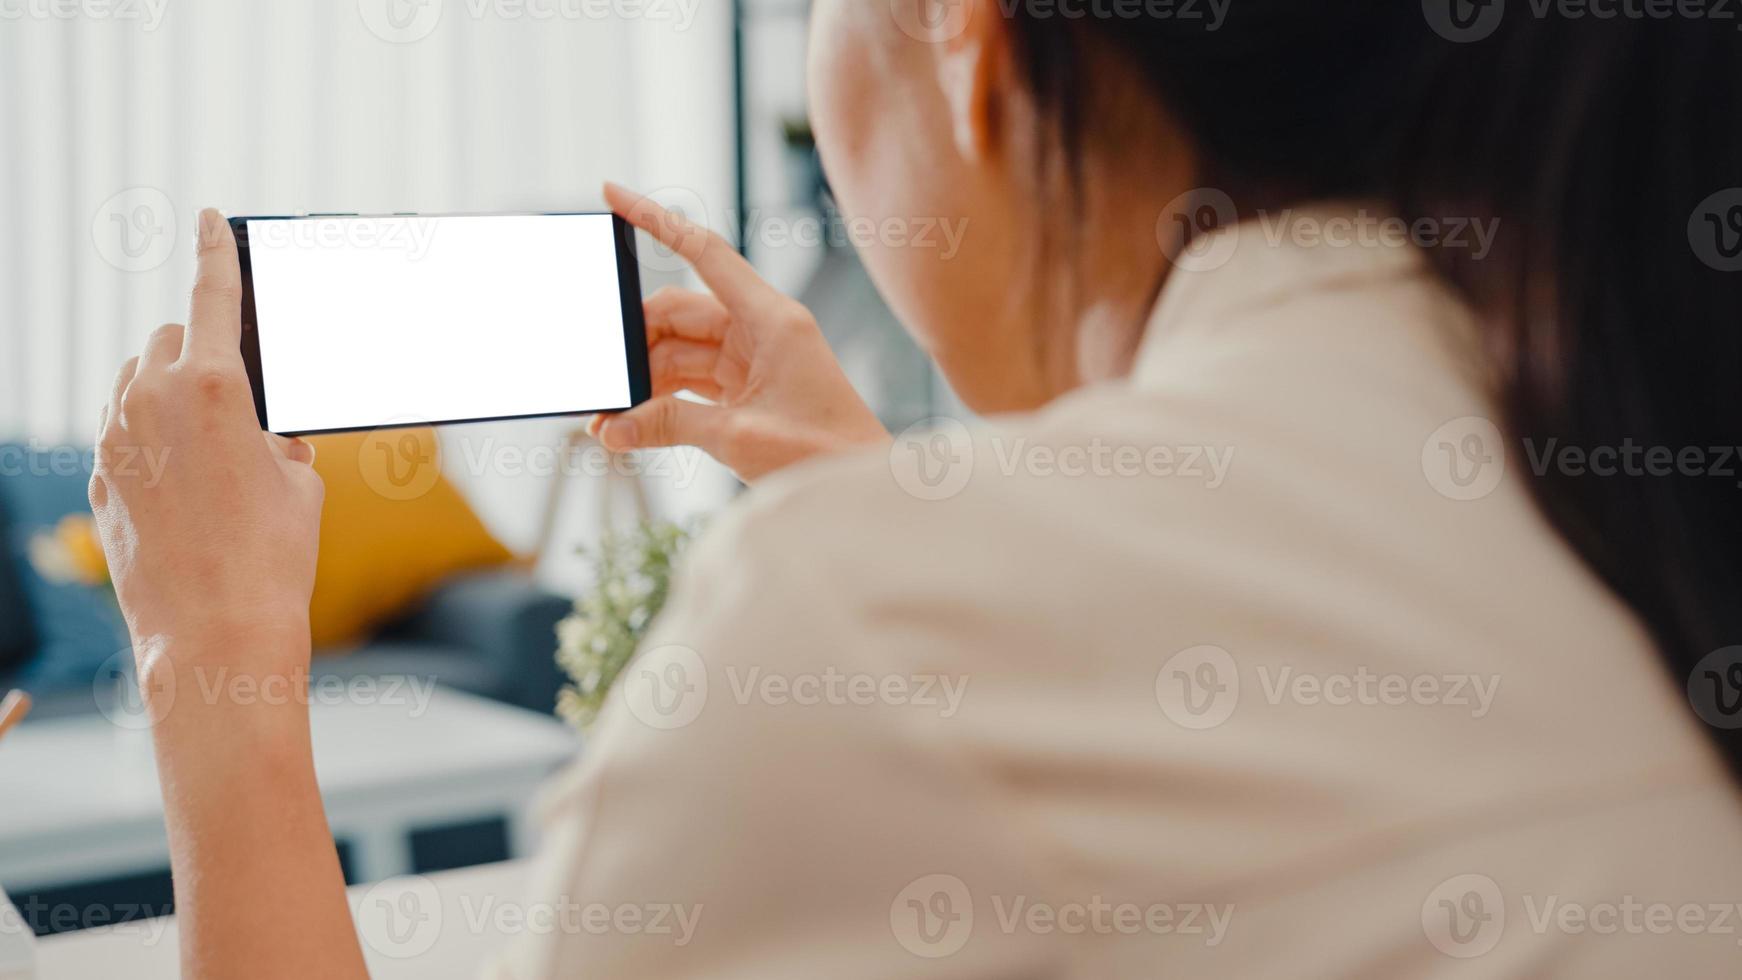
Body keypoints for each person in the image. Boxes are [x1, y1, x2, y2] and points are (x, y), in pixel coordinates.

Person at [88, 2, 1742, 977]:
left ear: (965, 43)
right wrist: (888, 507)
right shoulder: (1630, 432)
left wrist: (209, 661)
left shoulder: (852, 623)